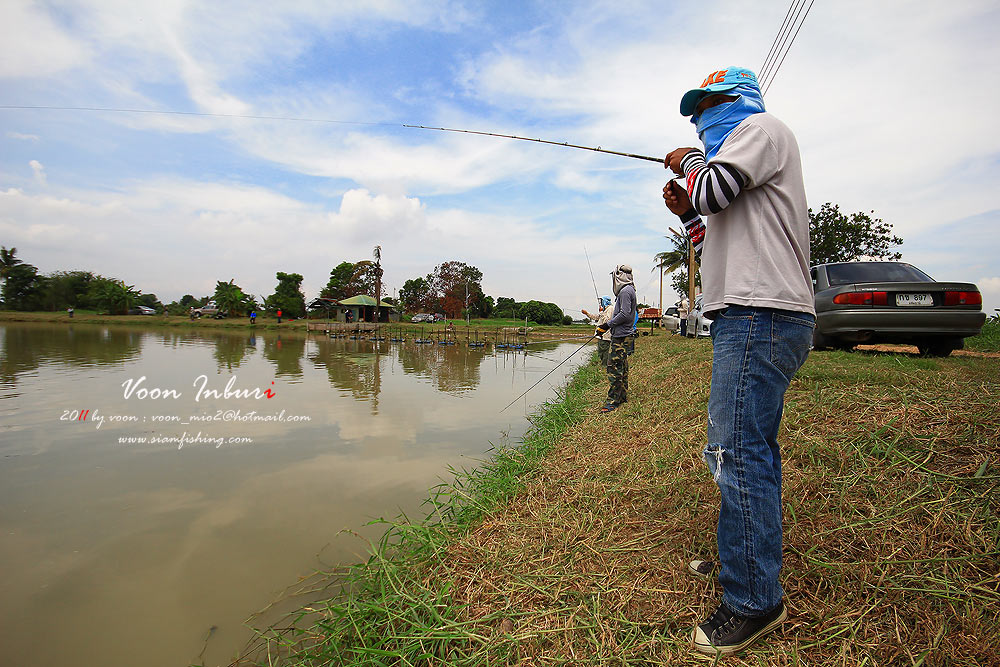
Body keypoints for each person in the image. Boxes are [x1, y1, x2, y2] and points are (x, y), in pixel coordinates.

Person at [661, 67, 815, 656]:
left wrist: (689, 165)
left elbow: (713, 188)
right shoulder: (736, 162)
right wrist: (687, 217)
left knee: (733, 451)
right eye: (697, 110)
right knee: (752, 448)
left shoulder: (761, 128)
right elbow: (713, 233)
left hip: (761, 314)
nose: (704, 118)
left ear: (741, 101)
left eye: (712, 104)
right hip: (751, 314)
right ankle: (745, 555)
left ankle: (754, 598)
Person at [595, 265, 636, 412]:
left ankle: (613, 401)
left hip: (621, 336)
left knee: (614, 368)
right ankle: (622, 396)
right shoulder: (629, 290)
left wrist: (607, 325)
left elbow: (624, 314)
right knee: (622, 366)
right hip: (623, 334)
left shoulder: (625, 292)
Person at [581, 296, 614, 366]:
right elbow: (595, 317)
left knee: (605, 352)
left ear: (605, 301)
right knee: (601, 352)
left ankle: (604, 367)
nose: (600, 303)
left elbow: (607, 321)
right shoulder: (605, 310)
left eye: (601, 301)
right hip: (601, 336)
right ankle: (603, 365)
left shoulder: (610, 309)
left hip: (606, 336)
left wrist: (601, 312)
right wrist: (586, 313)